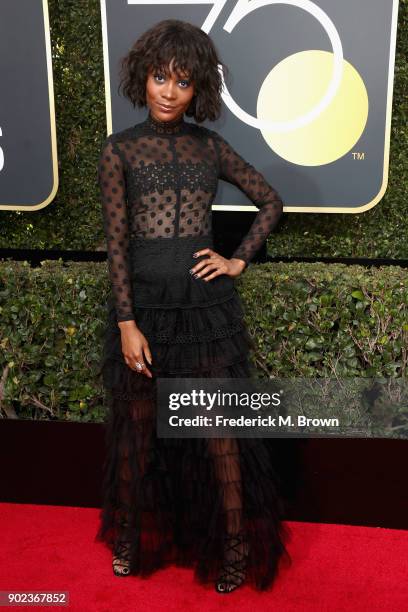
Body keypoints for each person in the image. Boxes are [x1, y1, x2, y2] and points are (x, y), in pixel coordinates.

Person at [95, 18, 292, 593]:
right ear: (143, 77)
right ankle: (130, 540)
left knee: (219, 435)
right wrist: (127, 322)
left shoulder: (211, 147)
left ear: (197, 89)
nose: (168, 91)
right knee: (138, 431)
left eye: (182, 82)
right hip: (146, 312)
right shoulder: (120, 151)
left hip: (205, 311)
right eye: (160, 77)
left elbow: (270, 201)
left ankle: (233, 548)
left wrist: (237, 261)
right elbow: (117, 245)